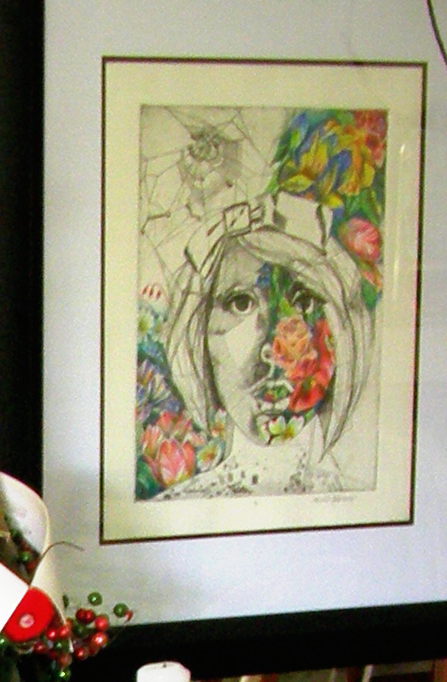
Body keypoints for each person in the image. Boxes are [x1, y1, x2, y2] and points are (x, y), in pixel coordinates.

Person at [152, 199, 375, 497]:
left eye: (303, 302)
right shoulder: (180, 505)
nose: (273, 349)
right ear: (199, 333)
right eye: (241, 303)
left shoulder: (355, 499)